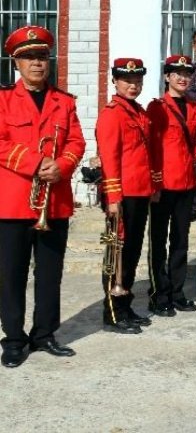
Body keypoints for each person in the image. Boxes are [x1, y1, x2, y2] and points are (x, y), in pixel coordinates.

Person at [0, 26, 86, 368]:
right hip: (13, 203)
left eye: (42, 57)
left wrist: (62, 166)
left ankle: (45, 334)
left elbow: (76, 141)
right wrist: (36, 163)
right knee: (11, 275)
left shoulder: (64, 102)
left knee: (50, 274)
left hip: (54, 201)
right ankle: (13, 339)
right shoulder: (4, 100)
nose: (37, 63)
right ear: (16, 63)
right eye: (29, 58)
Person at [96, 58, 156, 334]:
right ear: (115, 82)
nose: (133, 85)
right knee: (117, 252)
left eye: (137, 81)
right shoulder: (112, 114)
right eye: (127, 81)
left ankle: (125, 305)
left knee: (131, 252)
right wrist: (113, 197)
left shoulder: (137, 112)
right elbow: (109, 158)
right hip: (121, 195)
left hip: (139, 191)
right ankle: (112, 313)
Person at [146, 55, 196, 316]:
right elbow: (151, 147)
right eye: (177, 73)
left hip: (187, 183)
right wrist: (154, 183)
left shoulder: (194, 107)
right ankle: (159, 294)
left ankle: (177, 292)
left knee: (180, 240)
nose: (182, 78)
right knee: (158, 241)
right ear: (167, 77)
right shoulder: (157, 107)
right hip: (164, 183)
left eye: (187, 74)